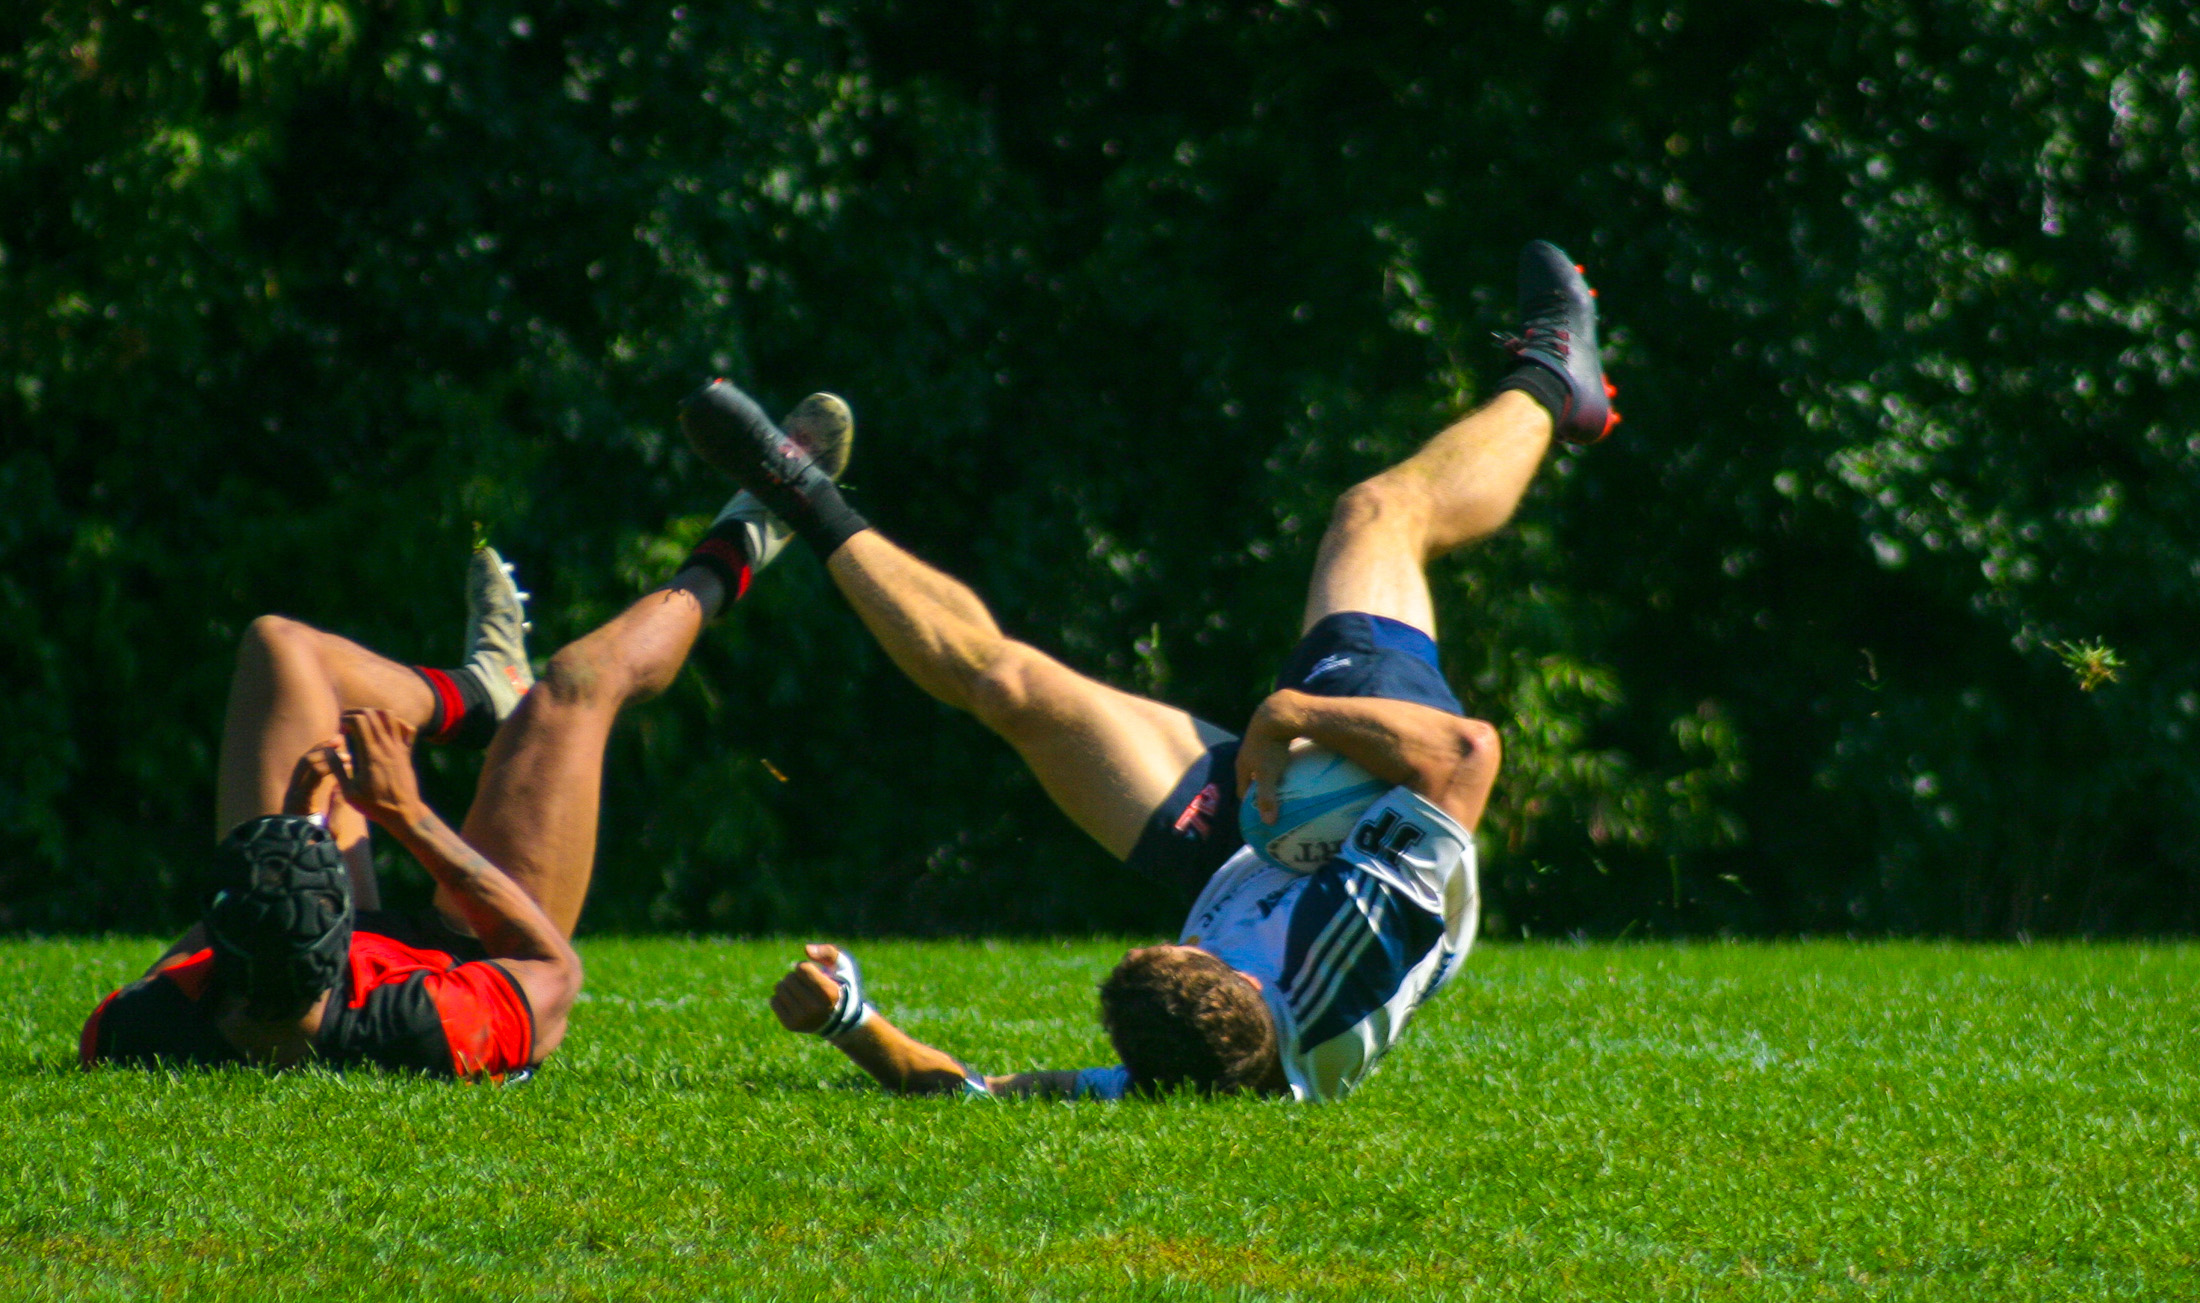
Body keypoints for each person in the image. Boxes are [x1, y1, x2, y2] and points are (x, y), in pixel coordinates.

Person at [704, 241, 1618, 1101]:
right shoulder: (1356, 936)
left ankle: (797, 493)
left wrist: (851, 1023)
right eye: (1167, 950)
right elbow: (1468, 754)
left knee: (1010, 688)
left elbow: (983, 1094)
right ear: (1223, 969)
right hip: (1369, 814)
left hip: (1244, 852)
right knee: (1379, 512)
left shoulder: (1182, 1068)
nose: (1161, 936)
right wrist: (1287, 714)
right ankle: (1553, 379)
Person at [79, 396, 857, 1080]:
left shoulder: (149, 1026)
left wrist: (286, 833)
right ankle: (751, 530)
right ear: (334, 943)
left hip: (278, 954)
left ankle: (481, 695)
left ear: (219, 960)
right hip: (475, 944)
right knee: (577, 682)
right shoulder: (424, 1025)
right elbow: (556, 967)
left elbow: (178, 965)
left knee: (280, 646)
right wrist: (404, 814)